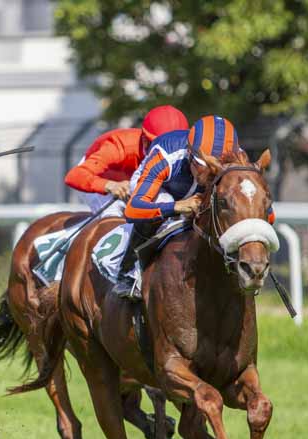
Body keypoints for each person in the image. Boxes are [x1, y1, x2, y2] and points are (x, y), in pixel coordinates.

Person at [114, 114, 273, 299]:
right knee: (163, 202)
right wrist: (177, 207)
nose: (207, 173)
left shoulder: (238, 158)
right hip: (162, 189)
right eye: (202, 166)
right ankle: (126, 272)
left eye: (215, 167)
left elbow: (265, 212)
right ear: (189, 153)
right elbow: (133, 210)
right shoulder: (165, 155)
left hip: (196, 194)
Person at [64, 105, 189, 212]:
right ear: (145, 140)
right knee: (114, 216)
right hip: (101, 182)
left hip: (133, 184)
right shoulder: (118, 146)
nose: (169, 152)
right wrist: (109, 185)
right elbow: (74, 176)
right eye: (161, 146)